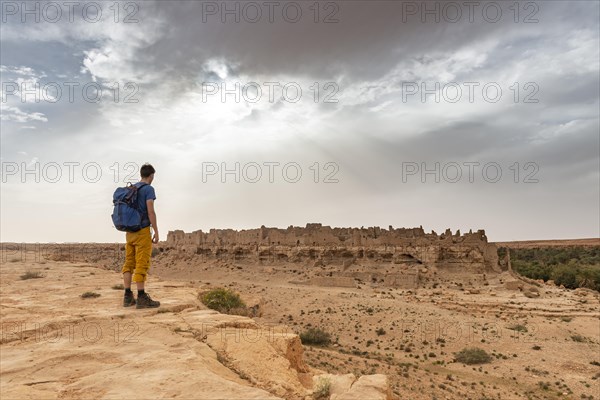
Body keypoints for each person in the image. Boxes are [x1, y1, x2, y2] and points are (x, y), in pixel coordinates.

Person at [121, 163, 160, 309]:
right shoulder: (148, 189)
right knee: (142, 263)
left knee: (129, 262)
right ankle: (142, 297)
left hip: (129, 231)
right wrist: (155, 230)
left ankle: (127, 296)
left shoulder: (132, 188)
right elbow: (151, 211)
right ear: (151, 176)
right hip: (142, 231)